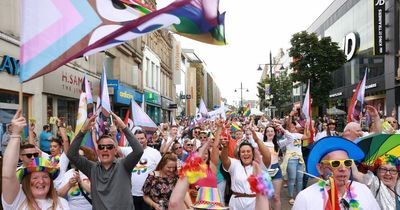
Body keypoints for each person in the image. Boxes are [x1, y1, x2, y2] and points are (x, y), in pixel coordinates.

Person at [67, 113, 144, 209]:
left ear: (115, 150)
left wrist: (123, 127)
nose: (105, 149)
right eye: (101, 147)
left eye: (109, 147)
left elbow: (138, 151)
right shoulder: (92, 168)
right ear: (98, 151)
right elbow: (71, 154)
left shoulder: (124, 165)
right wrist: (83, 130)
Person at [2, 110, 70, 209]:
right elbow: (8, 175)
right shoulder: (18, 200)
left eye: (45, 177)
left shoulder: (62, 203)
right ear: (26, 180)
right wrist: (16, 134)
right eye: (35, 178)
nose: (41, 181)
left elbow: (66, 145)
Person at [292, 136, 381, 210]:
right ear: (320, 168)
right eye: (335, 163)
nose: (343, 169)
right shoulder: (305, 198)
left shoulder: (363, 190)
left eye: (347, 163)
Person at [220, 126, 271, 210]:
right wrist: (225, 147)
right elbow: (224, 159)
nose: (246, 154)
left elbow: (267, 156)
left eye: (248, 151)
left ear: (253, 153)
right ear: (239, 154)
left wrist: (257, 140)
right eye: (243, 152)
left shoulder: (258, 165)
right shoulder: (234, 164)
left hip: (255, 203)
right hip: (237, 203)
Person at [119, 129, 162, 210]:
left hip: (148, 195)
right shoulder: (129, 150)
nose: (139, 141)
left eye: (142, 138)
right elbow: (115, 148)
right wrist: (114, 134)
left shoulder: (155, 152)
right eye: (137, 139)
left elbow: (160, 170)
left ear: (146, 139)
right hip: (131, 194)